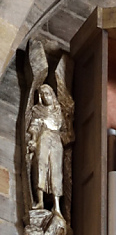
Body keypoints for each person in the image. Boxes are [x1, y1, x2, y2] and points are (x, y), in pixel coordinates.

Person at [26, 84, 64, 213]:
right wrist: (33, 139)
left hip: (56, 141)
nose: (45, 97)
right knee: (41, 166)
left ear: (52, 95)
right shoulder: (37, 110)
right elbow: (34, 127)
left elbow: (60, 126)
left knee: (56, 170)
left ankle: (57, 206)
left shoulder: (58, 110)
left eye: (47, 94)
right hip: (43, 138)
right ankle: (40, 201)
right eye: (42, 95)